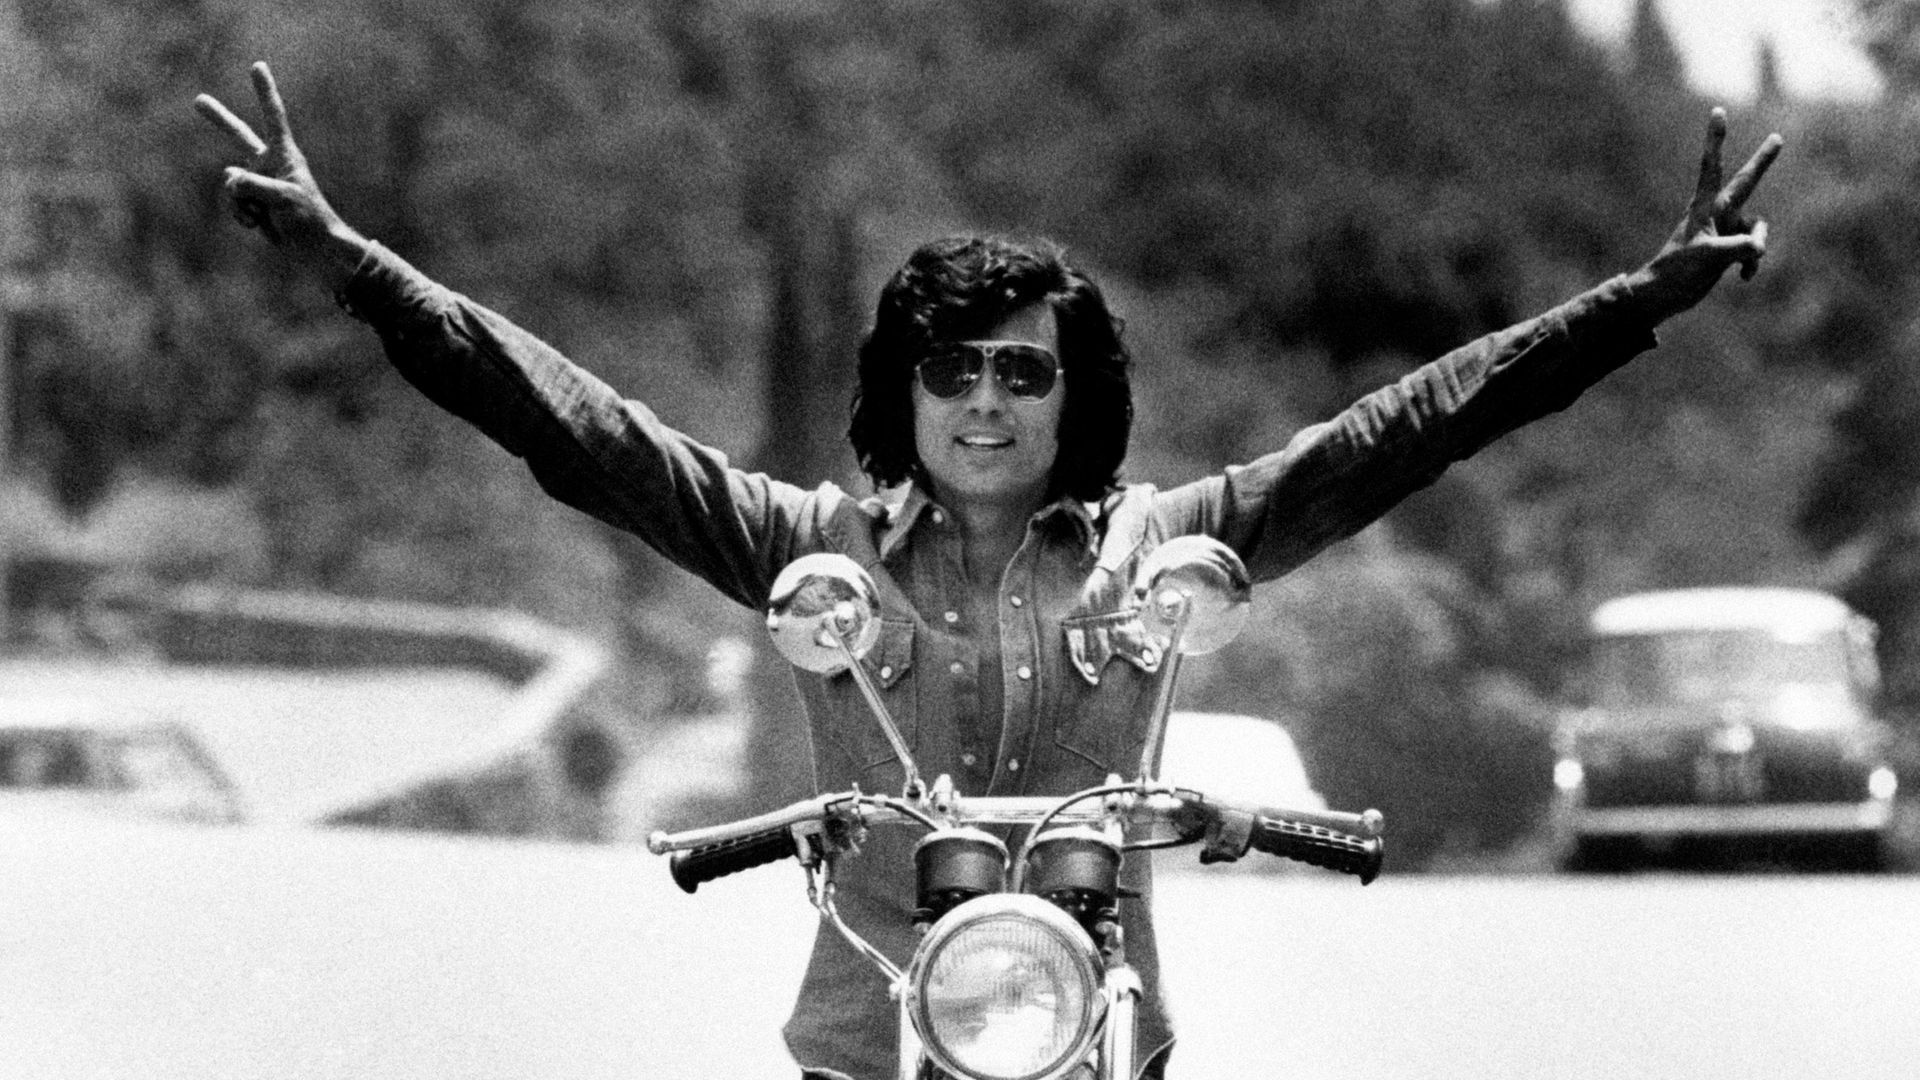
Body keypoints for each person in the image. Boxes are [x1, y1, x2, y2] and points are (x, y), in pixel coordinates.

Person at [195, 61, 1781, 1080]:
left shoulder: (1165, 545)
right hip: (872, 1030)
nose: (986, 403)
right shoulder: (806, 548)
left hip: (1098, 1028)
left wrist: (1639, 297)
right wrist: (361, 269)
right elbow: (582, 428)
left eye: (1026, 375)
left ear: (1074, 397)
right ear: (906, 391)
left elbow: (1405, 428)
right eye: (954, 372)